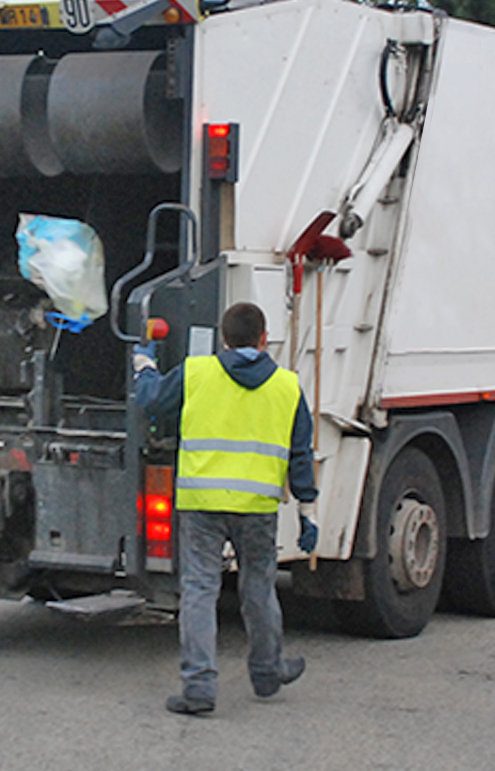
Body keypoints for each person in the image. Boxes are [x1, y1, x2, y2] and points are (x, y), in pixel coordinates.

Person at [132, 302, 318, 715]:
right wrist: (308, 511)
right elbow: (300, 454)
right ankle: (268, 671)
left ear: (223, 339)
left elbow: (152, 401)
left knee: (200, 589)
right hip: (257, 507)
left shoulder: (197, 373)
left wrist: (144, 362)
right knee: (258, 587)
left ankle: (199, 686)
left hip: (202, 503)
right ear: (264, 338)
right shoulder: (287, 386)